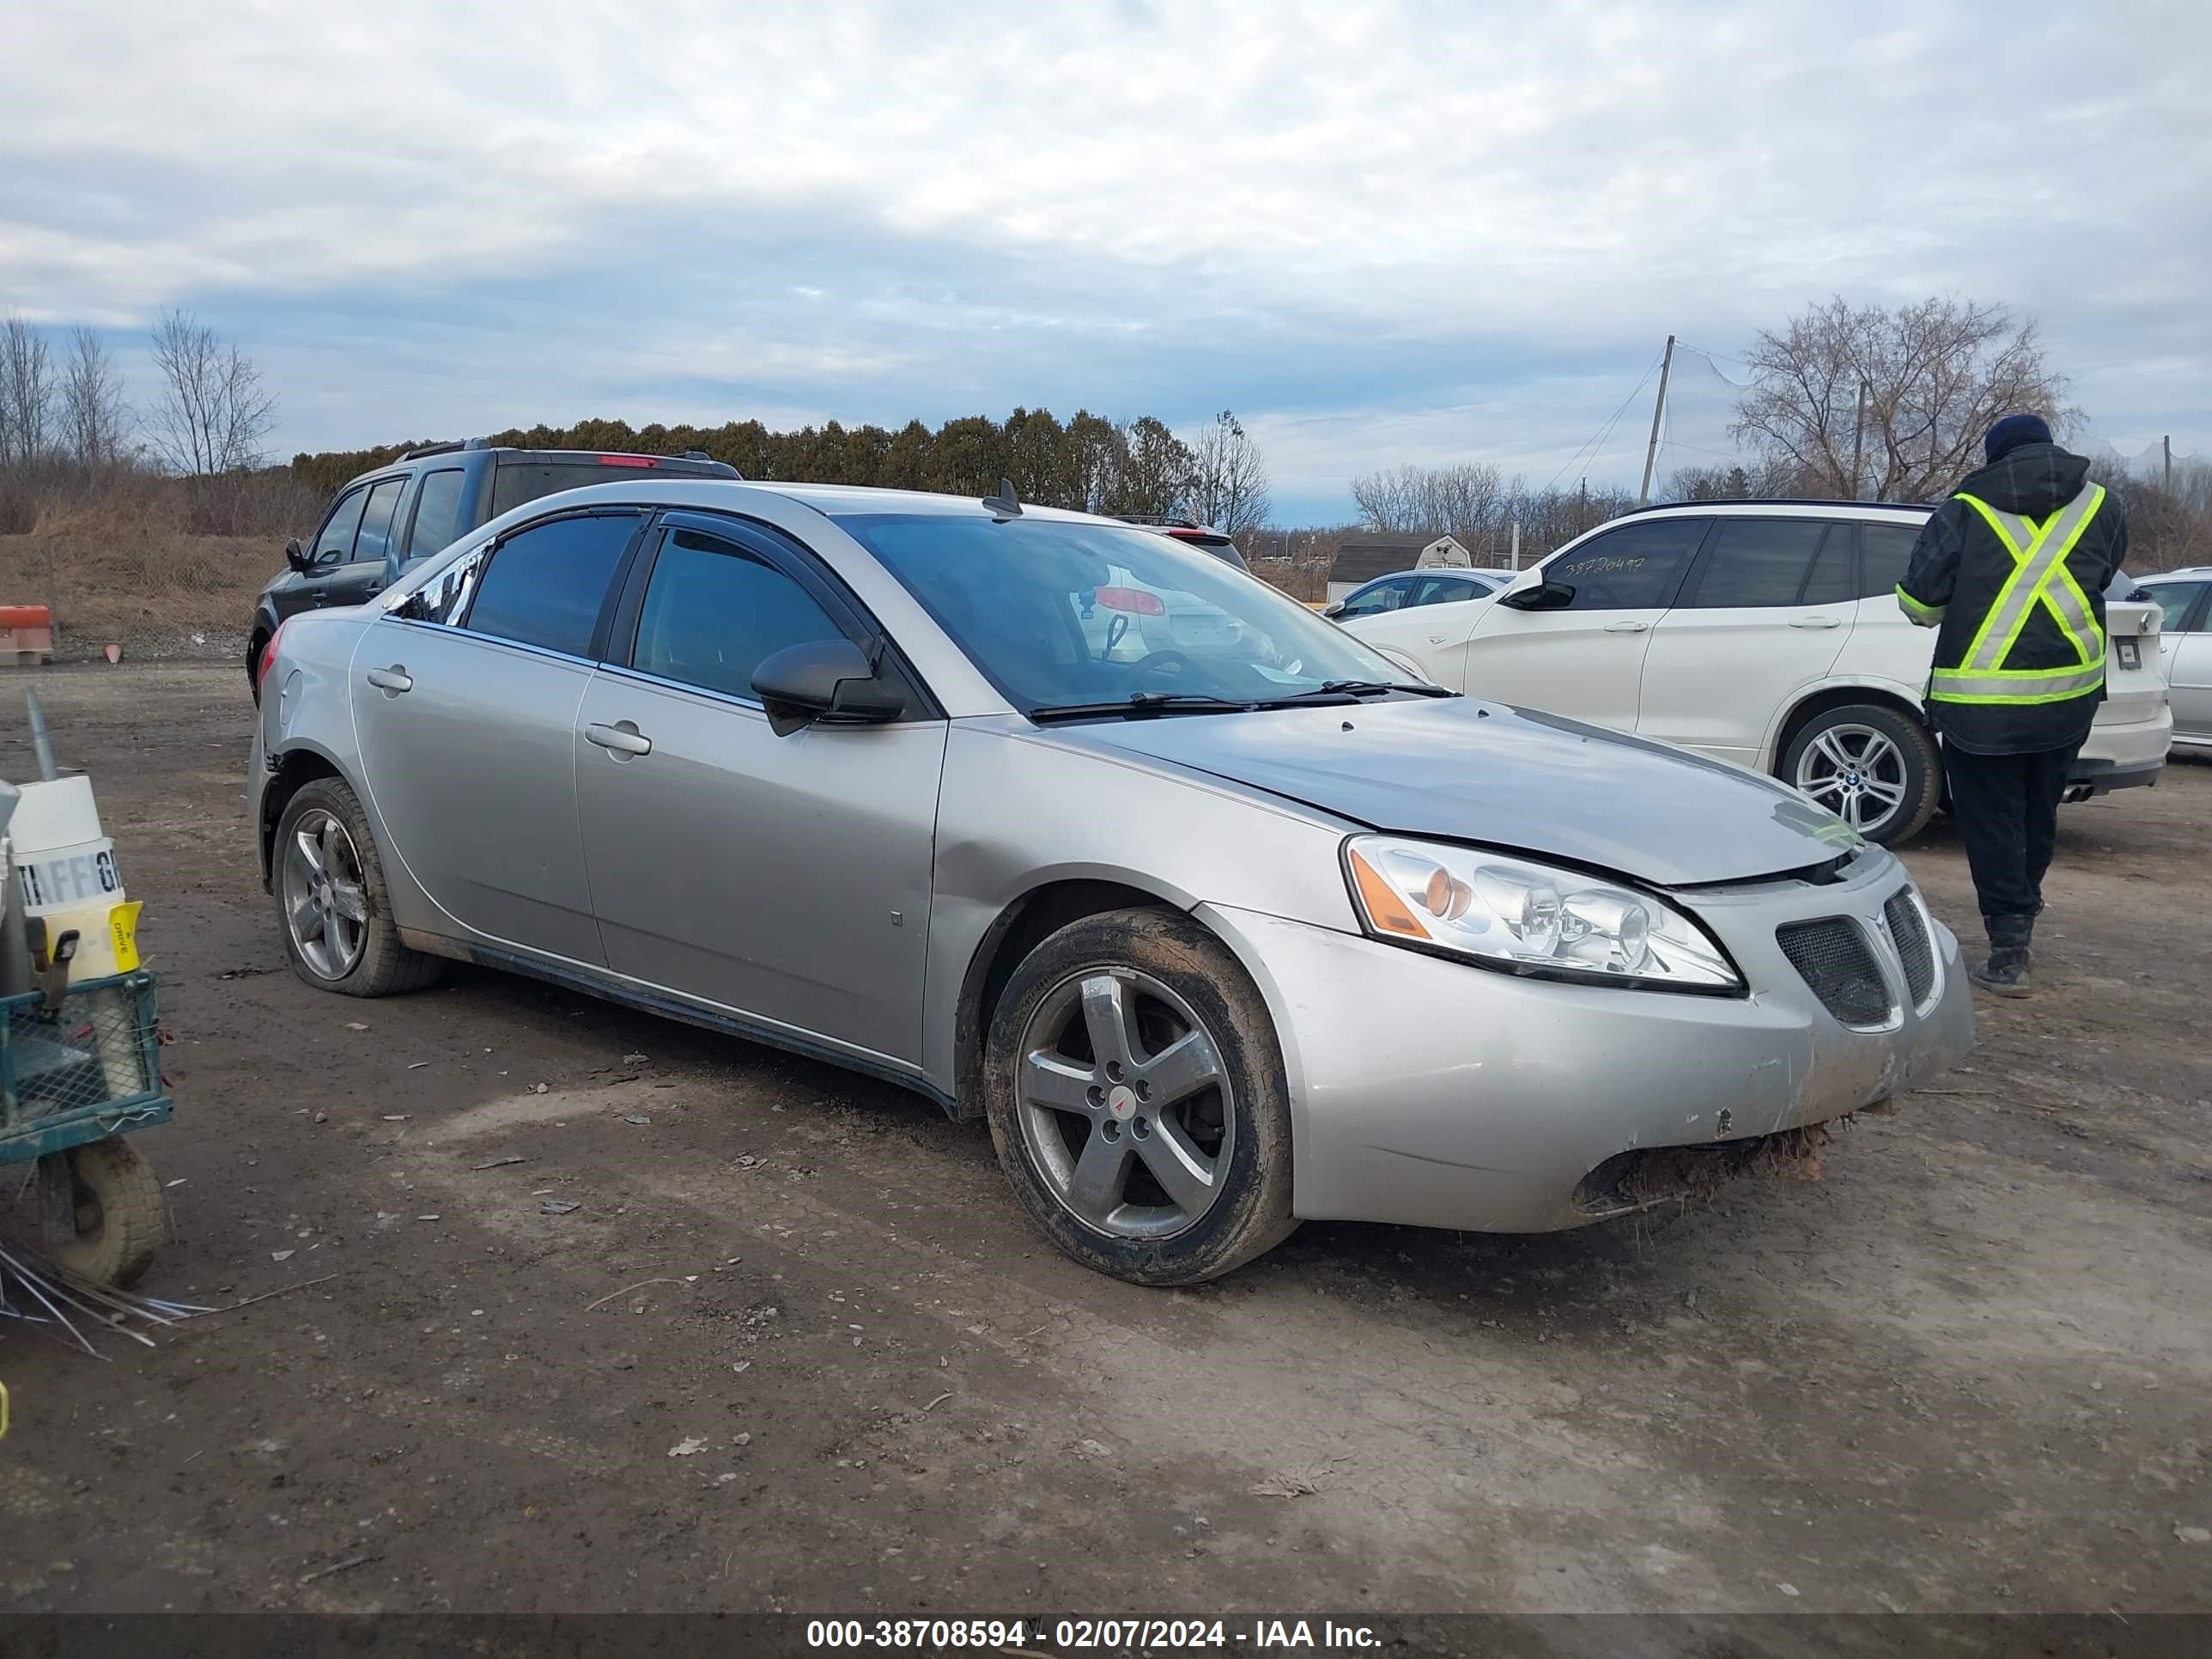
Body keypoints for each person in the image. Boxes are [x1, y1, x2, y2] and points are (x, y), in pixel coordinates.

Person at [1896, 414, 2128, 997]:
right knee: (2037, 809)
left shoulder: (1965, 506)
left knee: (1993, 820)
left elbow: (1919, 603)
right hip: (2068, 696)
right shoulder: (2103, 504)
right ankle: (2022, 910)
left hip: (1981, 704)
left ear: (1994, 455)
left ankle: (2008, 950)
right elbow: (2106, 572)